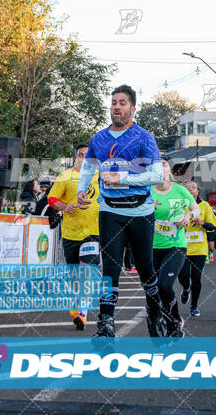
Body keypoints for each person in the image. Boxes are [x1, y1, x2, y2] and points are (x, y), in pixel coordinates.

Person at [77, 84, 164, 338]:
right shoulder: (98, 138)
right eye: (114, 102)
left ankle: (155, 312)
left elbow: (157, 175)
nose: (116, 106)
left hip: (140, 212)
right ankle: (105, 325)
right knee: (111, 268)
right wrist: (83, 189)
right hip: (110, 211)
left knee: (146, 269)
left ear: (133, 108)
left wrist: (122, 178)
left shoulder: (144, 137)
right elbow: (88, 167)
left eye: (122, 103)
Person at [48, 144, 100, 331]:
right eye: (81, 155)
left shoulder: (100, 176)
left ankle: (82, 313)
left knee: (86, 272)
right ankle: (78, 301)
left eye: (88, 155)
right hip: (70, 232)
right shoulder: (65, 177)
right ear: (75, 157)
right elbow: (52, 199)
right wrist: (64, 207)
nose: (84, 158)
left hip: (93, 232)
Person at [152, 157, 199, 336]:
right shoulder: (147, 192)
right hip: (152, 247)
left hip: (176, 246)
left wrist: (188, 217)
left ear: (169, 171)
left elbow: (196, 209)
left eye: (164, 164)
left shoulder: (180, 190)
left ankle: (175, 320)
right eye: (157, 165)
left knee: (164, 285)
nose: (161, 168)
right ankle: (166, 319)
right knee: (155, 290)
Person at [178, 181, 216, 317]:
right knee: (182, 275)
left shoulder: (204, 206)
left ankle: (194, 306)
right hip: (183, 246)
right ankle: (186, 288)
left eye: (193, 188)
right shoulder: (181, 205)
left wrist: (202, 222)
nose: (191, 190)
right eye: (188, 188)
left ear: (197, 191)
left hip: (200, 248)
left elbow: (212, 226)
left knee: (196, 277)